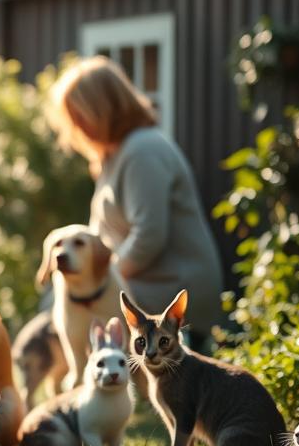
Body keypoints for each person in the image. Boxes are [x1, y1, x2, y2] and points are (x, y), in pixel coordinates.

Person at [47, 56, 224, 341]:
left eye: (81, 115)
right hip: (145, 281)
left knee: (77, 309)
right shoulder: (113, 155)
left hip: (173, 286)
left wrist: (102, 279)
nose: (77, 127)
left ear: (104, 107)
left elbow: (150, 236)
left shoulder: (142, 151)